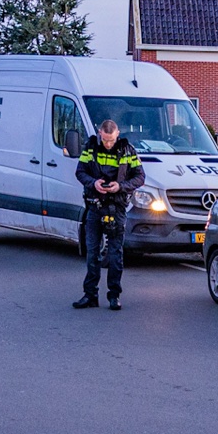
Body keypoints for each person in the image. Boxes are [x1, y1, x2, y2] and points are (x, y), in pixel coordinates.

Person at [72, 119, 144, 310]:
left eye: (111, 140)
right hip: (95, 206)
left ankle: (114, 295)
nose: (108, 144)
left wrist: (120, 186)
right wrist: (93, 183)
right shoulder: (91, 148)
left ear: (117, 134)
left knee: (115, 255)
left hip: (117, 206)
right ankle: (90, 295)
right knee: (92, 253)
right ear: (99, 133)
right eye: (105, 140)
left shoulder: (128, 150)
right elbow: (80, 172)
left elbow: (139, 177)